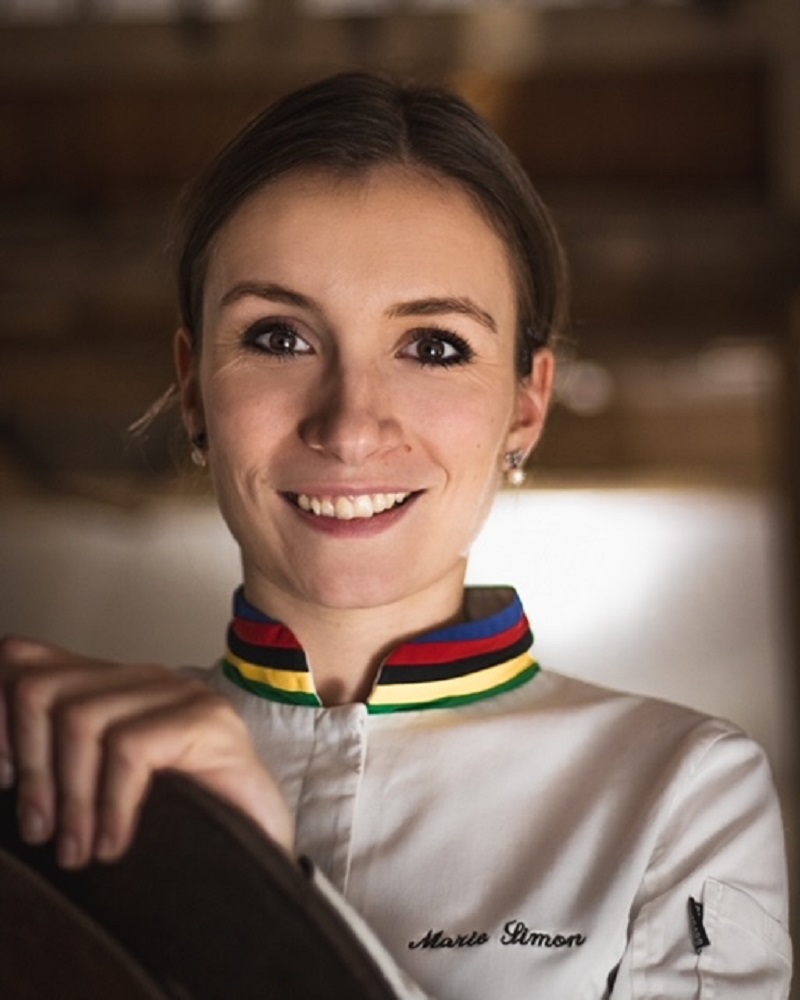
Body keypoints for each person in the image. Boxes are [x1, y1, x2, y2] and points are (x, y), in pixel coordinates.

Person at [0, 72, 791, 999]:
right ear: (193, 386)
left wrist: (258, 892)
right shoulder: (54, 771)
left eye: (434, 346)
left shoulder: (680, 792)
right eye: (279, 337)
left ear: (526, 404)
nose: (349, 428)